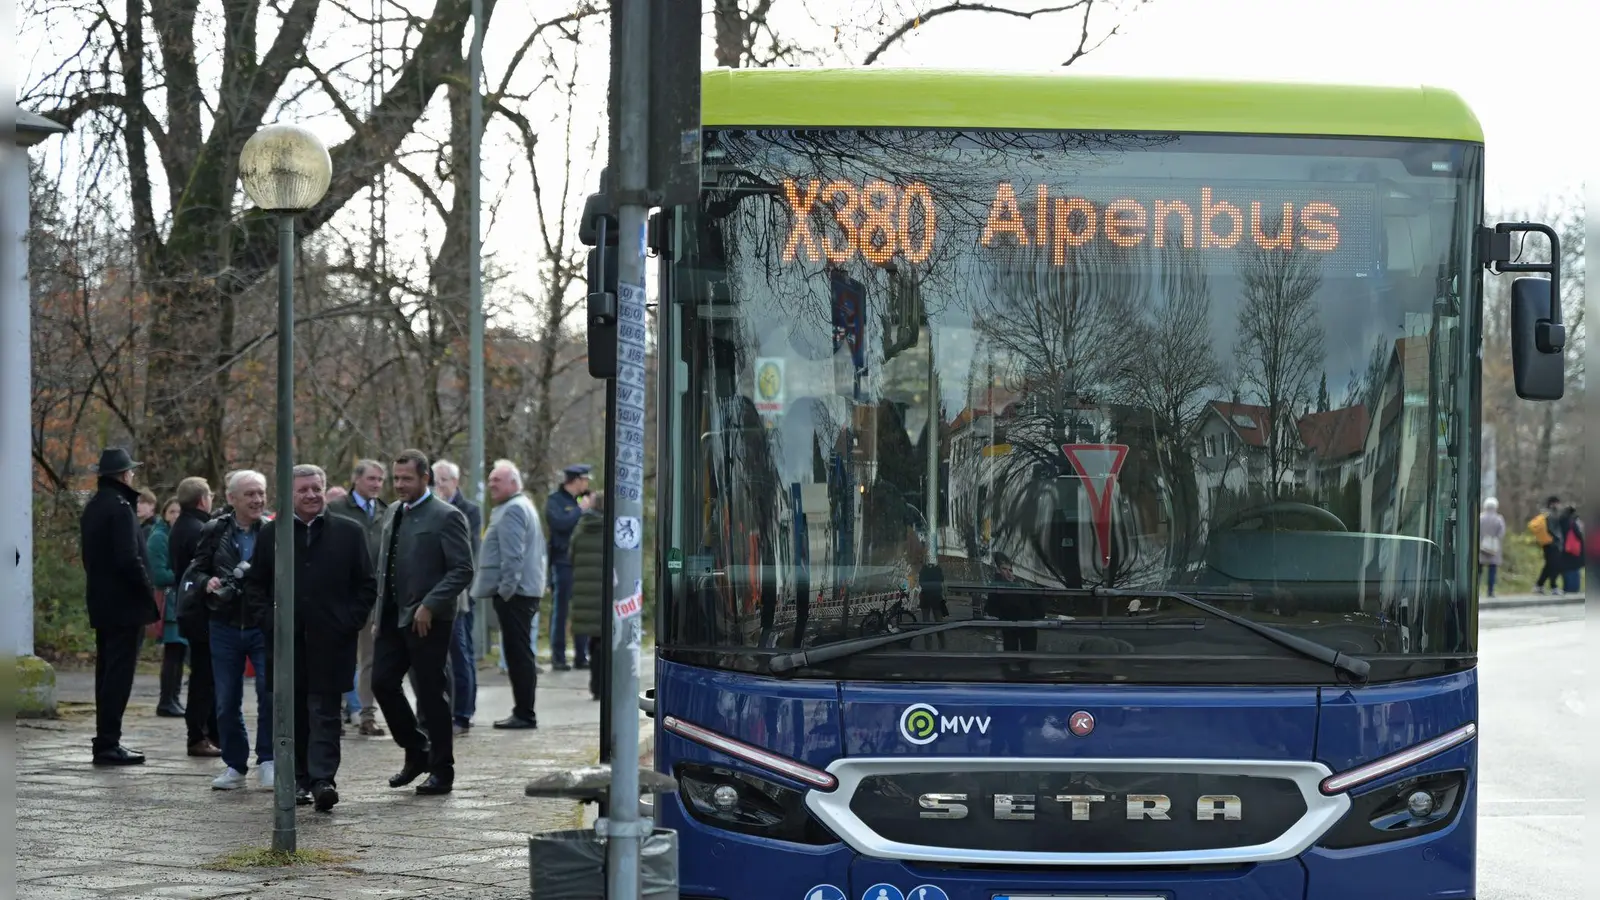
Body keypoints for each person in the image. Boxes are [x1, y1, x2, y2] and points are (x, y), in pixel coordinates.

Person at [242, 465, 376, 812]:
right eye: (303, 489)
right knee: (294, 714)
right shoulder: (272, 534)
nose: (311, 495)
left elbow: (366, 585)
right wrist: (270, 621)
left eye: (316, 488)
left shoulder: (349, 532)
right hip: (287, 644)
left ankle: (323, 781)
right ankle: (299, 780)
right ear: (290, 494)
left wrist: (348, 621)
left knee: (326, 714)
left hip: (332, 642)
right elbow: (255, 585)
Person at [372, 448, 475, 795]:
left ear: (425, 478)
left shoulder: (447, 516)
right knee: (382, 683)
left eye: (407, 479)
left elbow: (462, 569)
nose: (400, 485)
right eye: (396, 478)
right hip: (392, 618)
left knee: (431, 694)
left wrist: (430, 604)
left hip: (428, 620)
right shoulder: (392, 512)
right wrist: (379, 614)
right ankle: (417, 750)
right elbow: (384, 566)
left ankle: (442, 771)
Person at [78, 447, 160, 765]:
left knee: (106, 672)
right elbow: (129, 558)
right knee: (119, 675)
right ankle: (108, 742)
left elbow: (89, 558)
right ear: (125, 475)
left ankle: (105, 740)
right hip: (126, 605)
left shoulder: (94, 506)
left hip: (103, 603)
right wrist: (146, 591)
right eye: (131, 471)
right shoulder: (121, 507)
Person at [193, 469, 273, 790]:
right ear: (231, 498)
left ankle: (268, 760)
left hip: (262, 625)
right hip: (224, 624)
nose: (257, 500)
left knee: (269, 694)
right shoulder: (214, 530)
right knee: (226, 700)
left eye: (261, 493)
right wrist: (206, 582)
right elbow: (196, 570)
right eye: (250, 494)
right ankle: (235, 765)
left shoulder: (274, 530)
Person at [471, 459, 546, 728]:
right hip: (522, 592)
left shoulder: (513, 509)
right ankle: (523, 711)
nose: (491, 484)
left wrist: (505, 592)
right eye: (490, 479)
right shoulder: (519, 505)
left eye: (497, 480)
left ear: (514, 483)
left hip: (516, 595)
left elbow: (513, 557)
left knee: (518, 655)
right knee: (519, 653)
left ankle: (524, 714)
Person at [326, 459, 389, 736]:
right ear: (356, 479)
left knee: (370, 658)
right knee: (339, 656)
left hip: (374, 595)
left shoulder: (386, 512)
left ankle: (366, 715)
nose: (376, 484)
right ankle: (334, 714)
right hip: (342, 595)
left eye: (380, 480)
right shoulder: (337, 509)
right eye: (371, 478)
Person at [167, 477, 222, 757]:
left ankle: (209, 733)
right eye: (210, 495)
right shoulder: (200, 529)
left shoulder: (181, 526)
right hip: (201, 610)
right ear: (202, 500)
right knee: (204, 677)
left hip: (190, 609)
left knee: (204, 674)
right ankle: (199, 735)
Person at [432, 459, 482, 735]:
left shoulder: (468, 510)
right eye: (435, 481)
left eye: (444, 480)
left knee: (461, 652)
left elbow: (468, 551)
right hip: (436, 591)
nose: (439, 486)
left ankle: (464, 711)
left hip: (461, 592)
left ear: (455, 482)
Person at [545, 464, 593, 670]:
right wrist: (579, 510)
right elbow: (560, 524)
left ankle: (581, 656)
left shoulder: (583, 499)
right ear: (576, 480)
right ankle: (558, 657)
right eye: (585, 480)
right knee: (561, 611)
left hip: (582, 562)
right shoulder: (555, 501)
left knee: (582, 610)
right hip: (562, 562)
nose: (587, 484)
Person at [146, 497, 187, 717]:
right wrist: (184, 574)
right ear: (164, 514)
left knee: (179, 653)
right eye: (172, 512)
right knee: (173, 653)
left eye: (180, 512)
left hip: (179, 601)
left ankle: (174, 698)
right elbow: (159, 574)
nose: (176, 516)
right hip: (169, 602)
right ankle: (166, 700)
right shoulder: (159, 538)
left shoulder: (176, 535)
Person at [567, 491, 606, 702]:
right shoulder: (611, 530)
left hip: (584, 592)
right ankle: (603, 685)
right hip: (605, 594)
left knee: (594, 639)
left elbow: (571, 556)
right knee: (604, 640)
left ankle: (596, 685)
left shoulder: (580, 528)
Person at [1529, 496, 1563, 594]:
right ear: (1553, 504)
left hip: (1546, 543)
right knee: (1554, 565)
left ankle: (1539, 585)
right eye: (1557, 503)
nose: (1559, 506)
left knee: (1549, 565)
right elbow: (1552, 530)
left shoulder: (1545, 514)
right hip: (1553, 544)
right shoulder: (1551, 515)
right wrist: (1558, 539)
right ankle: (1553, 587)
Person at [1478, 498, 1505, 598]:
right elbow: (1501, 532)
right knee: (1492, 569)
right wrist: (1494, 539)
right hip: (1494, 547)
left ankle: (1477, 589)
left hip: (1481, 546)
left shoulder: (1480, 518)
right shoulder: (1498, 519)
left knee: (1479, 569)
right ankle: (1490, 591)